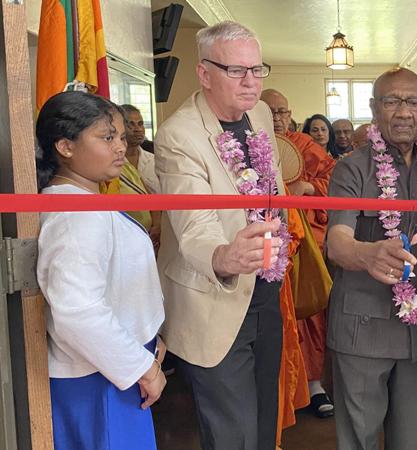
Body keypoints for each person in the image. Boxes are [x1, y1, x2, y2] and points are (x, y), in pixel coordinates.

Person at [154, 21, 286, 450]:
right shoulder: (179, 135)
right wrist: (223, 256)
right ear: (205, 73)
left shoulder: (261, 114)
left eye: (257, 69)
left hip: (265, 292)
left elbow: (273, 189)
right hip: (214, 297)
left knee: (266, 424)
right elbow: (192, 224)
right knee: (235, 434)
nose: (251, 82)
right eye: (236, 71)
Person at [326, 67, 417, 450]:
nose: (403, 112)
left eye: (413, 101)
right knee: (359, 439)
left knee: (409, 440)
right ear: (374, 108)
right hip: (364, 328)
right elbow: (337, 242)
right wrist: (369, 253)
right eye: (392, 101)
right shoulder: (352, 168)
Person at [35, 91, 166, 450]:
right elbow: (78, 312)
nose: (120, 147)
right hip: (100, 379)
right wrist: (142, 366)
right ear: (64, 146)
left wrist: (148, 336)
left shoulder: (83, 202)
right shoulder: (76, 214)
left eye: (121, 137)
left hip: (113, 366)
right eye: (107, 137)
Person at [261, 88, 336, 418]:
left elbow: (335, 178)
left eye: (282, 112)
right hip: (262, 246)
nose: (276, 118)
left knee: (310, 316)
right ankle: (275, 389)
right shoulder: (245, 145)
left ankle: (315, 384)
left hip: (305, 243)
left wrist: (309, 188)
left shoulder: (305, 145)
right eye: (270, 112)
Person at [119, 104, 161, 252]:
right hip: (125, 238)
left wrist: (157, 226)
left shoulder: (156, 160)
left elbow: (157, 198)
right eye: (130, 124)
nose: (137, 129)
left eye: (140, 124)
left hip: (158, 235)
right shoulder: (112, 163)